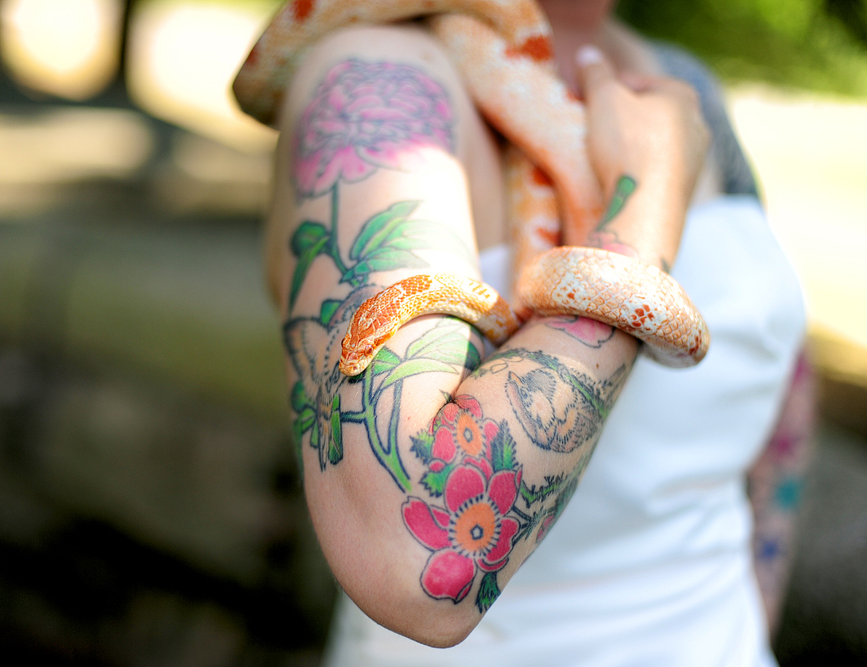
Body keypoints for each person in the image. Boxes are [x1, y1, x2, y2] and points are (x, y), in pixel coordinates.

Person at [256, 0, 812, 664]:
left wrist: (752, 616)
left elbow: (784, 377)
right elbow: (415, 564)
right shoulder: (372, 85)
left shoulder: (683, 83)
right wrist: (645, 199)